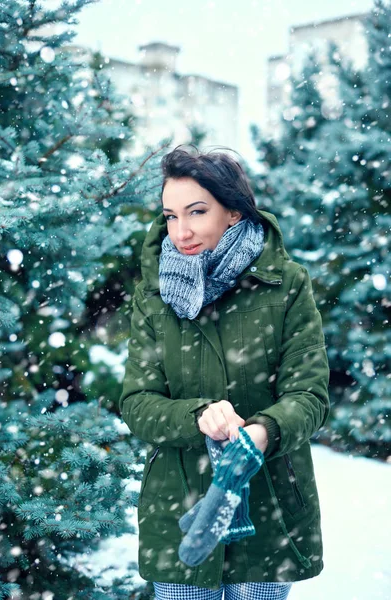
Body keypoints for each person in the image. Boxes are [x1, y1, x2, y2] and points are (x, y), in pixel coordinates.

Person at [119, 145, 330, 600]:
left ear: (233, 212)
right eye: (171, 215)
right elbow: (137, 402)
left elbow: (309, 395)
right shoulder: (153, 295)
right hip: (180, 500)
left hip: (268, 498)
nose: (182, 230)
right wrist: (198, 416)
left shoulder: (286, 284)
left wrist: (264, 431)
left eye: (197, 211)